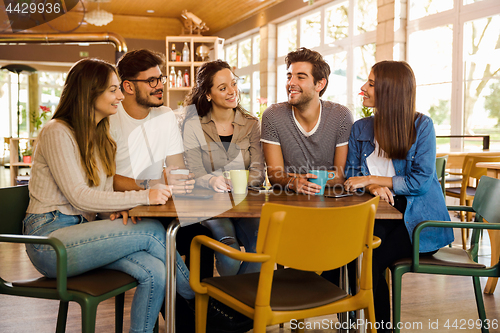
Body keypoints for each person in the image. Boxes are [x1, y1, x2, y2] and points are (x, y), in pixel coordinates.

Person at [22, 58, 171, 333]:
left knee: (155, 270)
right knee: (151, 231)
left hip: (82, 234)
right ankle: (199, 298)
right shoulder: (57, 131)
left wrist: (110, 212)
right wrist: (144, 196)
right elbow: (80, 197)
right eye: (113, 90)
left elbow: (101, 191)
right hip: (49, 242)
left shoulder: (99, 135)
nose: (119, 96)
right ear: (90, 92)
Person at [112, 50, 251, 333]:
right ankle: (202, 310)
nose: (160, 85)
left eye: (160, 78)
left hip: (155, 206)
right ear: (128, 86)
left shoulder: (164, 115)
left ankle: (197, 318)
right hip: (123, 212)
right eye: (151, 81)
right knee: (168, 248)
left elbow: (176, 170)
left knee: (197, 234)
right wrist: (148, 188)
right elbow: (107, 179)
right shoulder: (111, 118)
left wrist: (191, 180)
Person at [343, 60, 454, 332]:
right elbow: (352, 174)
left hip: (419, 220)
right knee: (358, 251)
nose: (363, 88)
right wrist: (372, 187)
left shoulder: (421, 126)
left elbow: (419, 182)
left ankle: (380, 329)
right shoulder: (360, 128)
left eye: (370, 83)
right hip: (381, 209)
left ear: (389, 90)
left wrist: (372, 179)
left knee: (372, 260)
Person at [182, 59, 265, 276]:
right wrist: (211, 180)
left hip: (246, 206)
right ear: (208, 94)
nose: (232, 92)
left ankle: (236, 307)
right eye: (223, 88)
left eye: (234, 84)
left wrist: (238, 182)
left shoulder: (251, 124)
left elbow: (258, 173)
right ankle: (231, 304)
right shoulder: (193, 126)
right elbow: (194, 171)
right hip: (212, 208)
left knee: (261, 248)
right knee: (229, 257)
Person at [261, 47, 353, 194]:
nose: (291, 83)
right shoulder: (273, 116)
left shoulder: (341, 116)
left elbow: (341, 175)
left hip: (329, 201)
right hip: (287, 200)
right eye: (289, 76)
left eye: (301, 77)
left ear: (320, 84)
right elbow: (274, 175)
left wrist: (298, 178)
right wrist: (292, 182)